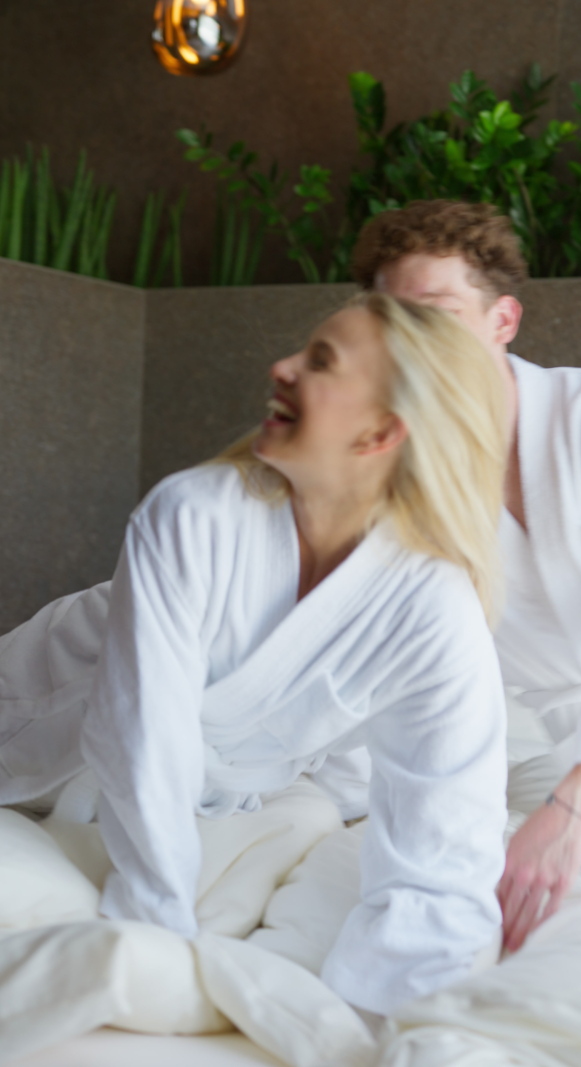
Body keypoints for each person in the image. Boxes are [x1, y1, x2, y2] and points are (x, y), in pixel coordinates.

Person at [0, 293, 508, 1017]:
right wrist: (161, 935)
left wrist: (402, 1020)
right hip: (33, 721)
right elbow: (142, 738)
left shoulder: (433, 606)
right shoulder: (195, 514)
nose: (282, 366)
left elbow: (447, 823)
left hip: (199, 791)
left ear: (382, 432)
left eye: (320, 362)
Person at [353, 198, 581, 954]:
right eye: (391, 316)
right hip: (541, 735)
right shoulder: (393, 466)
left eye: (438, 310)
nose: (412, 340)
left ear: (504, 320)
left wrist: (574, 803)